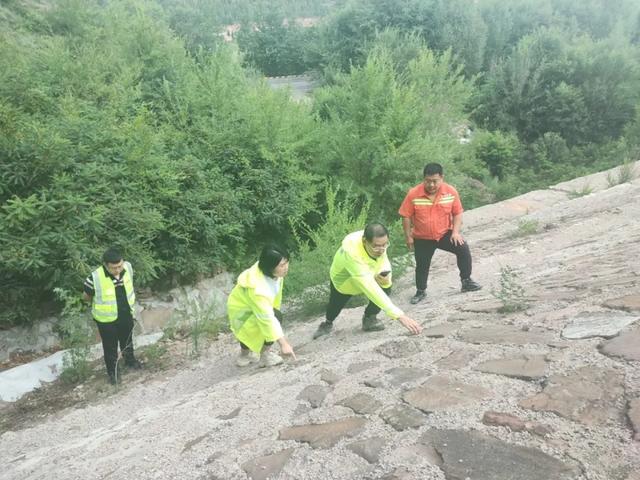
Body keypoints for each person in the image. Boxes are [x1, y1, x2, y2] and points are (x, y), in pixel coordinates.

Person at [313, 223, 422, 339]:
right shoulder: (351, 253)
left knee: (386, 287)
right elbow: (370, 288)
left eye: (385, 244)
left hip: (369, 272)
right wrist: (400, 316)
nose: (381, 249)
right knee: (335, 304)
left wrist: (385, 279)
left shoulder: (378, 244)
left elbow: (383, 261)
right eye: (376, 246)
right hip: (345, 282)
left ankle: (369, 319)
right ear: (365, 241)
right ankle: (327, 323)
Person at [399, 162, 482, 305]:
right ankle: (420, 291)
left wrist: (455, 233)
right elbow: (405, 215)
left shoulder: (450, 192)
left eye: (434, 181)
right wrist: (408, 237)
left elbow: (457, 213)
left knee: (463, 249)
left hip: (444, 234)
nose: (431, 185)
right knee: (422, 265)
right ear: (423, 179)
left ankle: (466, 281)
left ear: (442, 178)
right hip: (422, 237)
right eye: (427, 181)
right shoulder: (413, 193)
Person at [227, 244, 297, 368]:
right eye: (282, 265)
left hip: (251, 304)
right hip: (241, 309)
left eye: (287, 262)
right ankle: (260, 355)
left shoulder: (274, 274)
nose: (286, 267)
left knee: (265, 322)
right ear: (270, 267)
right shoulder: (257, 288)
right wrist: (284, 344)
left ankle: (254, 354)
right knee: (248, 329)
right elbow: (267, 319)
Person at [83, 247, 141, 385]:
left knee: (127, 340)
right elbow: (86, 296)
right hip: (106, 319)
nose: (118, 270)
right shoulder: (95, 277)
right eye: (114, 268)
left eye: (120, 266)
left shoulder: (128, 268)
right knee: (110, 347)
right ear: (105, 265)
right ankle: (113, 373)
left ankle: (130, 362)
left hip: (126, 313)